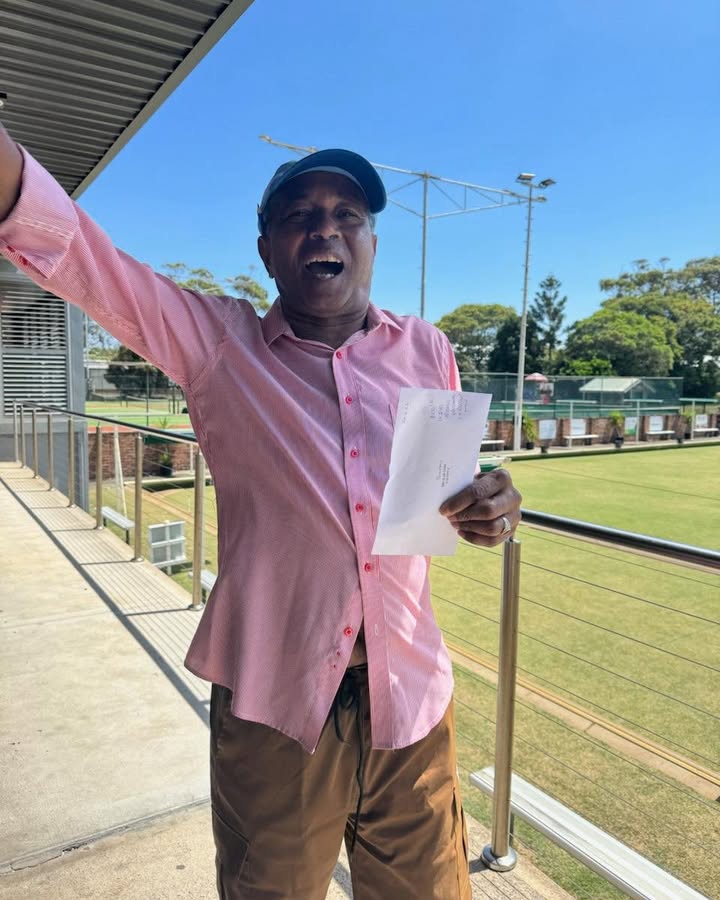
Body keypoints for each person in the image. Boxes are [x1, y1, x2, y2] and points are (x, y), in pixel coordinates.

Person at [0, 125, 521, 899]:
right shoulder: (219, 344)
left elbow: (449, 490)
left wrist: (491, 505)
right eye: (299, 215)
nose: (326, 229)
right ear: (267, 250)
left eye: (347, 215)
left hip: (411, 700)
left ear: (372, 244)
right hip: (275, 710)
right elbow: (89, 260)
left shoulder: (427, 350)